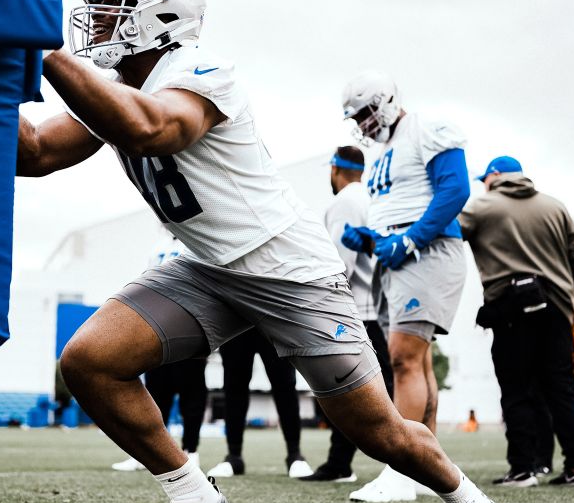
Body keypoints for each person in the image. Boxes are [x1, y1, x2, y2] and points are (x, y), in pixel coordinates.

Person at [18, 0, 516, 503]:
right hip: (207, 269)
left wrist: (45, 53)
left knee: (375, 430)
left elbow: (152, 129)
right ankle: (195, 501)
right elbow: (36, 152)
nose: (95, 23)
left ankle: (467, 497)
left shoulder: (202, 68)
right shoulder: (117, 86)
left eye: (111, 8)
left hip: (289, 270)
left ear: (160, 15)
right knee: (91, 363)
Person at [338, 71, 471, 503]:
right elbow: (397, 207)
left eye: (365, 114)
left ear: (386, 102)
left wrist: (410, 238)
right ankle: (427, 467)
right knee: (419, 362)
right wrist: (374, 240)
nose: (363, 125)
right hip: (402, 255)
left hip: (427, 253)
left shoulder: (427, 128)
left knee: (403, 359)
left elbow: (455, 190)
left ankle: (401, 471)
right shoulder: (385, 151)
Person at [459, 156, 574, 489]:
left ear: (493, 176)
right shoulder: (555, 207)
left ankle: (523, 469)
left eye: (484, 179)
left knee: (516, 389)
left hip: (510, 309)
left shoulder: (482, 206)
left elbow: (444, 235)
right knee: (561, 390)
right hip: (557, 308)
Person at [299, 145, 395, 483]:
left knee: (346, 388)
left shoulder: (344, 203)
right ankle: (341, 461)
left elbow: (340, 263)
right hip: (373, 307)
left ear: (336, 170)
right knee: (374, 386)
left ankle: (342, 463)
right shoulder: (369, 198)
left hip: (353, 310)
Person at [113, 235, 207, 472]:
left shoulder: (198, 241)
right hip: (159, 327)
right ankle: (148, 454)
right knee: (155, 395)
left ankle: (190, 450)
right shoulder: (158, 247)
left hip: (191, 325)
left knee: (191, 394)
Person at [206, 327, 313, 478]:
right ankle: (234, 456)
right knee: (234, 387)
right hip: (237, 317)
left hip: (273, 315)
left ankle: (295, 455)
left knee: (285, 385)